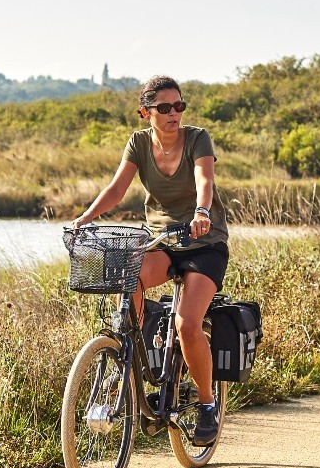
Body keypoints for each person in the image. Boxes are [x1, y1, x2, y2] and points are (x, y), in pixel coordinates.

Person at [71, 76, 227, 444]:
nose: (174, 113)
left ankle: (206, 406)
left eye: (179, 106)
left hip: (203, 241)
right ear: (146, 113)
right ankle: (140, 354)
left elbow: (205, 178)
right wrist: (84, 220)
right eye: (164, 108)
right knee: (130, 279)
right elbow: (117, 188)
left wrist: (202, 212)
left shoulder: (197, 138)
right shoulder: (138, 143)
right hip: (161, 238)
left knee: (188, 324)